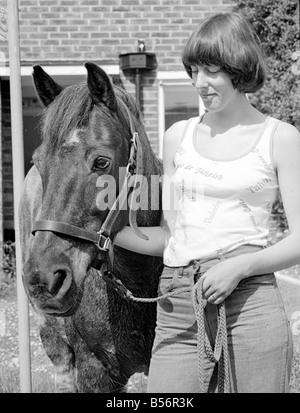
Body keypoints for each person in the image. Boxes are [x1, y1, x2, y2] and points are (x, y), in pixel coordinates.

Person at [114, 12, 300, 393]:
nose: (200, 83)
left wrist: (240, 267)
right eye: (193, 71)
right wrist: (106, 230)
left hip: (249, 302)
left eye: (211, 70)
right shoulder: (177, 137)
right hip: (178, 301)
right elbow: (171, 236)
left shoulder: (279, 138)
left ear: (239, 68)